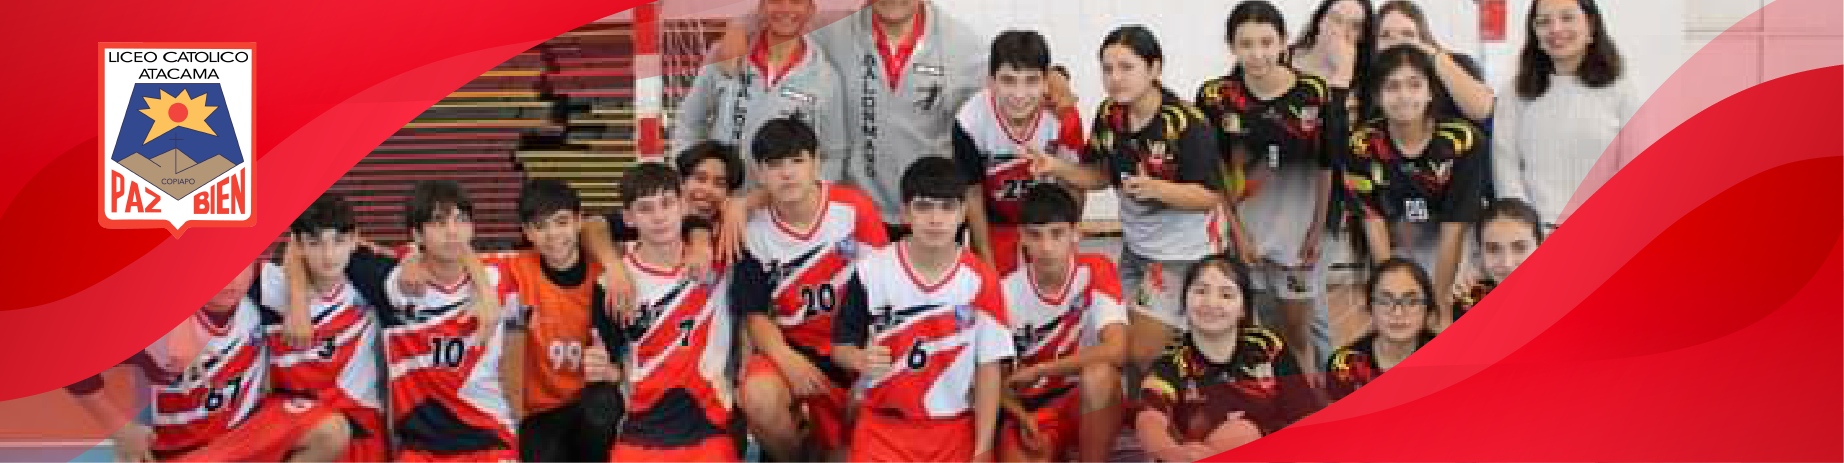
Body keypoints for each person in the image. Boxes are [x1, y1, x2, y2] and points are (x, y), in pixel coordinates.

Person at [1034, 25, 1224, 369]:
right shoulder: (1110, 114)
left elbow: (1209, 196)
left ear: (1154, 68)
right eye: (1107, 69)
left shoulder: (1187, 123)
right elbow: (1099, 175)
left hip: (1179, 257)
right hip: (1134, 250)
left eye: (1126, 67)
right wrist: (1055, 166)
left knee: (1138, 352)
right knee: (1113, 340)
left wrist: (1159, 189)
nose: (1115, 78)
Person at [292, 180, 522, 462]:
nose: (452, 232)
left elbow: (574, 249)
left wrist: (485, 290)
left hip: (490, 439)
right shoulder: (392, 284)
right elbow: (301, 239)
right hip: (419, 449)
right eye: (439, 223)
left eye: (461, 220)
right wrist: (297, 303)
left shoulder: (500, 276)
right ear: (417, 234)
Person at [715, 0, 987, 236]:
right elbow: (785, 14)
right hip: (855, 216)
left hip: (932, 216)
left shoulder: (963, 44)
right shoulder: (833, 31)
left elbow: (989, 125)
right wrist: (740, 26)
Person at [729, 117, 890, 461]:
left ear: (816, 162)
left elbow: (885, 293)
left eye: (797, 161)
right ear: (760, 173)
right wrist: (785, 358)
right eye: (775, 165)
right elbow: (755, 315)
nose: (787, 174)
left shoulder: (854, 210)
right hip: (793, 345)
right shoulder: (751, 231)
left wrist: (866, 367)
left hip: (853, 345)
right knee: (757, 396)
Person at [74, 264, 353, 462]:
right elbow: (72, 361)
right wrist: (120, 429)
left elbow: (309, 256)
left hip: (247, 431)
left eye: (239, 266)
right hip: (183, 449)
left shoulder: (260, 292)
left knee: (330, 432)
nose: (230, 279)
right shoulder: (154, 318)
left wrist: (362, 252)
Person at [1194, 1, 1342, 374]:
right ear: (1231, 45)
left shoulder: (1314, 92)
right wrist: (1237, 233)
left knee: (1297, 337)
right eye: (1246, 44)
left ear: (1284, 42)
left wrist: (1317, 229)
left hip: (1298, 238)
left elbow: (1327, 165)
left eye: (1266, 42)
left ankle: (1308, 403)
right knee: (1252, 334)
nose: (1257, 54)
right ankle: (1262, 402)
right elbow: (1215, 174)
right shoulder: (1215, 97)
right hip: (1245, 238)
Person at [832, 157, 1013, 462]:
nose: (935, 219)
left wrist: (983, 448)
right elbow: (840, 348)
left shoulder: (982, 281)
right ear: (905, 212)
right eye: (924, 207)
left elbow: (989, 370)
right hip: (883, 427)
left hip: (954, 427)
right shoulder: (870, 271)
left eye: (947, 208)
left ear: (963, 213)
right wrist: (860, 359)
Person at [602, 163, 741, 462]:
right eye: (646, 208)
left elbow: (760, 205)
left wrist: (708, 232)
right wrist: (602, 367)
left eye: (667, 203)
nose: (659, 216)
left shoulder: (720, 261)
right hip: (641, 427)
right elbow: (608, 359)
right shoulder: (614, 284)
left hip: (708, 425)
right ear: (628, 218)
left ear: (683, 205)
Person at [1345, 45, 1490, 324]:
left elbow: (1454, 227)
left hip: (1455, 244)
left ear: (1430, 92)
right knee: (1400, 315)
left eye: (1414, 85)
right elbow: (1373, 222)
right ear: (1377, 95)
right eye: (1393, 86)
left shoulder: (1462, 141)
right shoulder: (1362, 145)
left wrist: (1440, 303)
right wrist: (1392, 290)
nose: (1404, 96)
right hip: (1398, 242)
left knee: (1448, 319)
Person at [1136, 255, 1320, 462]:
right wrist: (1173, 452)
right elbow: (1149, 418)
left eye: (1226, 295)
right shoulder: (1173, 360)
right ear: (1184, 301)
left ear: (1243, 309)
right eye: (1200, 291)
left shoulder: (1267, 346)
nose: (1211, 303)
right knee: (1240, 434)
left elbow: (1304, 411)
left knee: (1243, 433)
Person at [994, 184, 1126, 463]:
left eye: (1057, 234)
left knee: (1100, 374)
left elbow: (1117, 350)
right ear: (1022, 237)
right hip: (1033, 406)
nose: (1046, 247)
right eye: (1035, 235)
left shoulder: (1096, 268)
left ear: (1076, 233)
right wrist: (1022, 416)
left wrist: (1042, 369)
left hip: (1084, 399)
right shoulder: (1004, 291)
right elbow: (995, 380)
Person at [261, 194, 390, 462]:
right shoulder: (268, 286)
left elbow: (435, 260)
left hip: (360, 425)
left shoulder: (371, 281)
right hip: (297, 424)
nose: (328, 255)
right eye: (315, 243)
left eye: (338, 241)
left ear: (354, 240)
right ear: (297, 245)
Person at [502, 180, 622, 462]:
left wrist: (614, 372)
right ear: (527, 232)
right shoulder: (515, 270)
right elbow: (457, 259)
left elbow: (634, 354)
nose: (553, 234)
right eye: (540, 226)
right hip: (539, 412)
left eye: (561, 222)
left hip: (589, 405)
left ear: (579, 221)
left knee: (602, 405)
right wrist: (410, 260)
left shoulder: (608, 278)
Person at [1494, 0, 1639, 227]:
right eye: (1544, 22)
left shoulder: (1621, 89)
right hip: (1535, 234)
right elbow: (1505, 168)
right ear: (1534, 34)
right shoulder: (1514, 93)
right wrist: (1525, 230)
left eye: (1567, 18)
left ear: (1591, 26)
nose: (1555, 29)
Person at [954, 30, 1085, 276]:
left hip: (1048, 223)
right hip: (996, 224)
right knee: (997, 291)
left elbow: (1075, 184)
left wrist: (1068, 241)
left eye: (1031, 80)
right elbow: (972, 194)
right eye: (1008, 80)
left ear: (1046, 81)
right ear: (991, 81)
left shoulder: (1063, 116)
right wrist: (986, 262)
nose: (1019, 94)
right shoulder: (970, 121)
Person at [672, 0, 847, 177]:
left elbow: (833, 154)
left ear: (811, 10)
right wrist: (689, 172)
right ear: (762, 8)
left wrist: (810, 191)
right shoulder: (724, 55)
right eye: (775, 1)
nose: (786, 9)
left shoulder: (825, 78)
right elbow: (689, 121)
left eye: (796, 1)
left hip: (783, 194)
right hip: (726, 191)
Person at [1326, 258, 1442, 400]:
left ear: (1427, 308)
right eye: (1385, 301)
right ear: (1370, 307)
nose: (1398, 313)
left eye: (1411, 302)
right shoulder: (1344, 364)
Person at [1374, 0, 1495, 121]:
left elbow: (1484, 110)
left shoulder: (1457, 63)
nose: (1397, 42)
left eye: (1407, 34)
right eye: (1385, 35)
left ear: (1423, 38)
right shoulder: (1371, 72)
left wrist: (1435, 56)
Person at [1455, 198, 1544, 319]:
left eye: (1520, 247)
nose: (1507, 263)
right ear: (1481, 253)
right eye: (1493, 249)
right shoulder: (1471, 298)